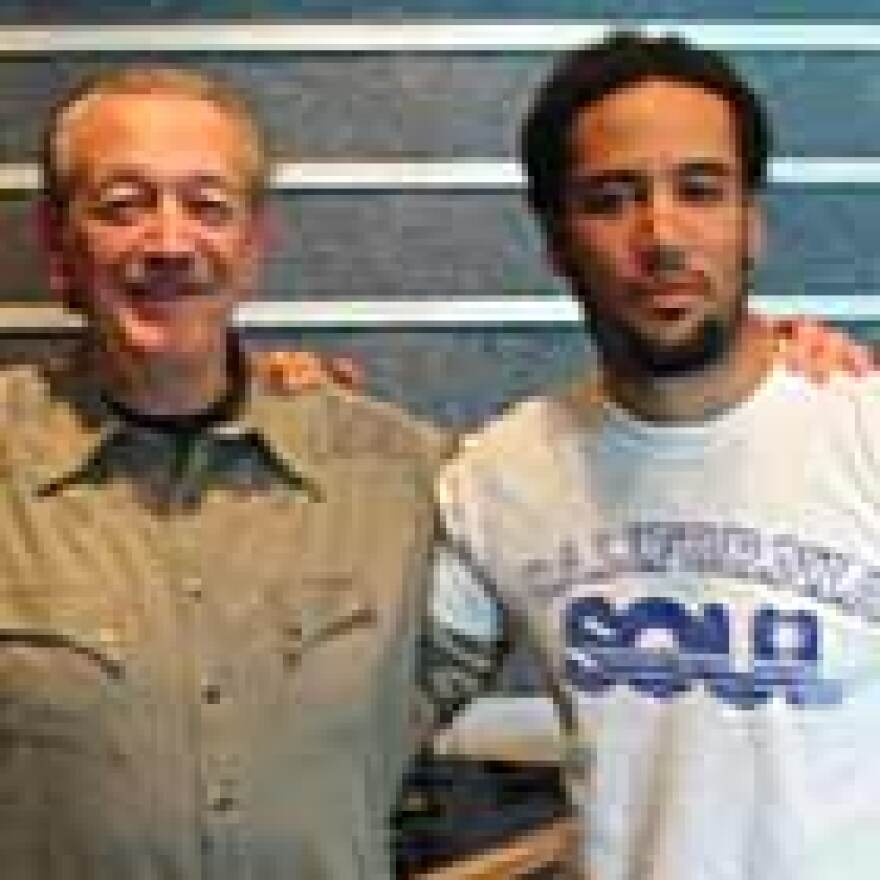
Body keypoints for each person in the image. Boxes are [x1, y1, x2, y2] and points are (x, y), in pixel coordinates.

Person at [429, 32, 880, 880]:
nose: (662, 235)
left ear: (753, 225)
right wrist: (265, 395)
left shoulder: (862, 436)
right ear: (557, 242)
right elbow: (339, 728)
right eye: (611, 199)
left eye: (700, 190)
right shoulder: (500, 480)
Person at [0, 65, 450, 879]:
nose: (170, 244)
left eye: (208, 206)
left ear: (253, 248)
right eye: (122, 206)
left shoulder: (400, 477)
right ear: (59, 246)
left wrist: (748, 386)